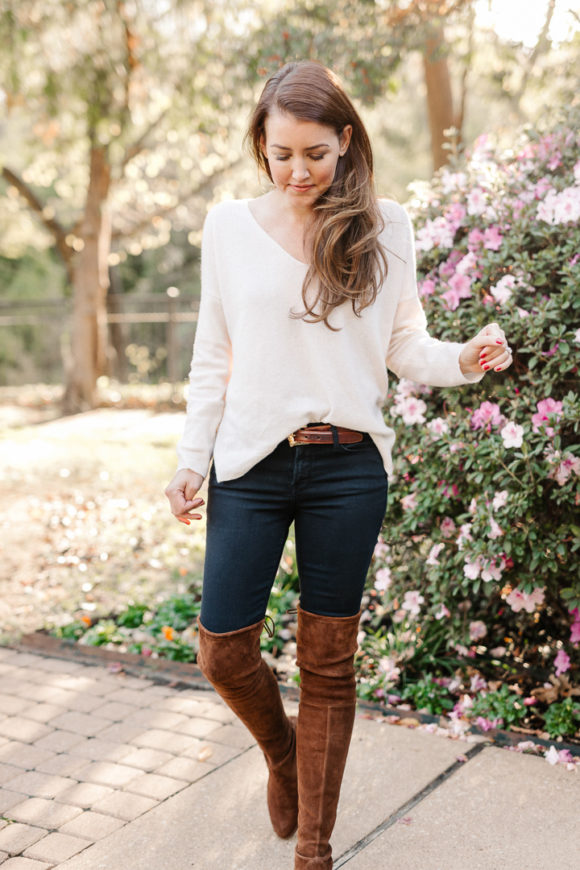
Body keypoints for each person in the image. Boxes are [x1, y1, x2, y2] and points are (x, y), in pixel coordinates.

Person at [164, 60, 513, 870]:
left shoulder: (385, 224)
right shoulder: (227, 227)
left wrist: (463, 357)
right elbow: (212, 356)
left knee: (328, 662)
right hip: (247, 466)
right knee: (223, 650)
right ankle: (284, 753)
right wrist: (190, 460)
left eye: (316, 153)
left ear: (346, 142)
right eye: (282, 153)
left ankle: (314, 850)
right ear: (262, 144)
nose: (298, 172)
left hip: (349, 472)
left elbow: (403, 347)